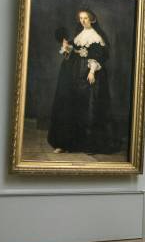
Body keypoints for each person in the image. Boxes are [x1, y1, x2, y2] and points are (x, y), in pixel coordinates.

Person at [48, 9, 117, 154]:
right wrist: (67, 48)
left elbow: (98, 55)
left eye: (85, 18)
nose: (83, 21)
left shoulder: (96, 36)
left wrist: (92, 71)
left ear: (92, 20)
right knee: (71, 105)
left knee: (88, 107)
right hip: (75, 73)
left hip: (88, 74)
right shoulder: (80, 35)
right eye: (81, 18)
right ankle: (67, 143)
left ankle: (90, 145)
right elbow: (73, 50)